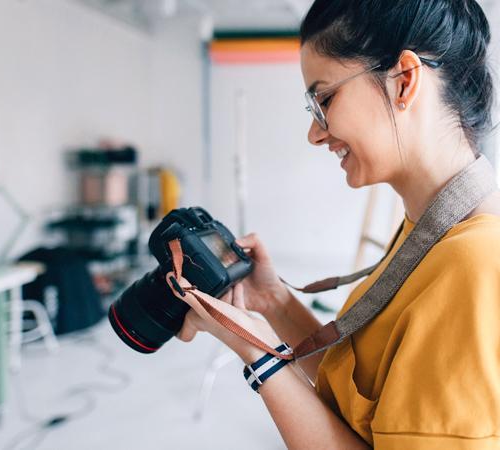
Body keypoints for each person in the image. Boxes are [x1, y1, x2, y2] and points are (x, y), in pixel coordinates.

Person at [167, 0, 500, 448]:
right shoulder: (431, 228)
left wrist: (255, 352)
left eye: (324, 99)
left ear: (404, 80)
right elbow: (362, 395)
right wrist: (276, 303)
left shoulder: (474, 263)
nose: (315, 133)